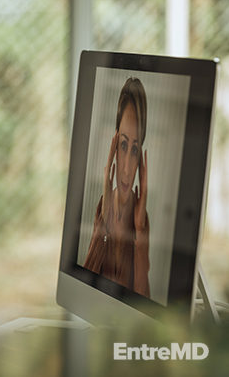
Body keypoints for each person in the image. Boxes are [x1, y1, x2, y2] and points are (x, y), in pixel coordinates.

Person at [83, 77, 150, 297]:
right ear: (114, 147)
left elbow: (144, 304)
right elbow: (83, 292)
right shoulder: (103, 208)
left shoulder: (142, 220)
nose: (127, 170)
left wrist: (139, 232)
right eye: (123, 145)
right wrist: (105, 218)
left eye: (134, 149)